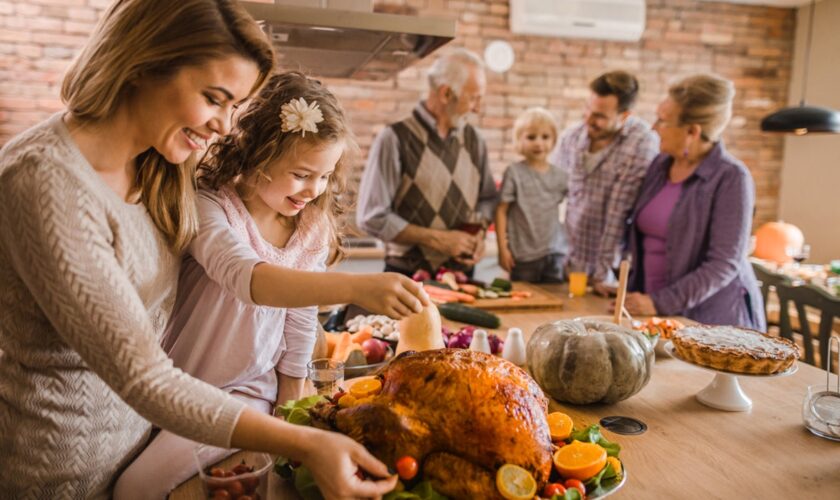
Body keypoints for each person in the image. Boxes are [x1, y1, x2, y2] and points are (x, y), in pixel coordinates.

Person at [0, 1, 415, 497]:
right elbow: (144, 377)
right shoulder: (45, 183)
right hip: (62, 469)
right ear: (143, 64)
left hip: (140, 440)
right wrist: (301, 443)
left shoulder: (160, 165)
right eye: (215, 98)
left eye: (234, 107)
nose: (224, 126)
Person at [113, 71, 405, 499]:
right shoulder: (211, 208)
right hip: (180, 386)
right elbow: (247, 279)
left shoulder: (311, 228)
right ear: (258, 155)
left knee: (135, 488)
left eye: (324, 177)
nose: (314, 190)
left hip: (249, 394)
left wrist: (290, 411)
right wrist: (354, 288)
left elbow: (300, 321)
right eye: (303, 174)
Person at [624, 74, 766, 330]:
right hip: (653, 313)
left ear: (692, 131)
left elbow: (723, 264)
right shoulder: (659, 166)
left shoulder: (731, 177)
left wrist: (659, 302)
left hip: (709, 321)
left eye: (663, 121)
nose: (654, 127)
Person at [356, 48, 499, 277]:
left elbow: (488, 199)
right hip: (406, 281)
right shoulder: (395, 139)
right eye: (473, 98)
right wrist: (437, 239)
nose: (478, 108)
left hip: (462, 279)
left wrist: (479, 235)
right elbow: (372, 217)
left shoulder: (476, 141)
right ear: (445, 94)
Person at [549, 70, 659, 295]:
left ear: (624, 115)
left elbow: (619, 211)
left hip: (612, 273)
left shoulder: (641, 142)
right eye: (588, 108)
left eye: (600, 115)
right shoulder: (571, 138)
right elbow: (551, 196)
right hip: (569, 264)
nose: (588, 119)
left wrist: (603, 272)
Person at [495, 107, 568, 282]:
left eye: (545, 137)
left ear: (554, 140)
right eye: (531, 137)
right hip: (523, 256)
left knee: (555, 302)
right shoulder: (514, 173)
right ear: (519, 140)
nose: (538, 143)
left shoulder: (561, 176)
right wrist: (502, 249)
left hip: (554, 253)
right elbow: (501, 211)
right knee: (524, 301)